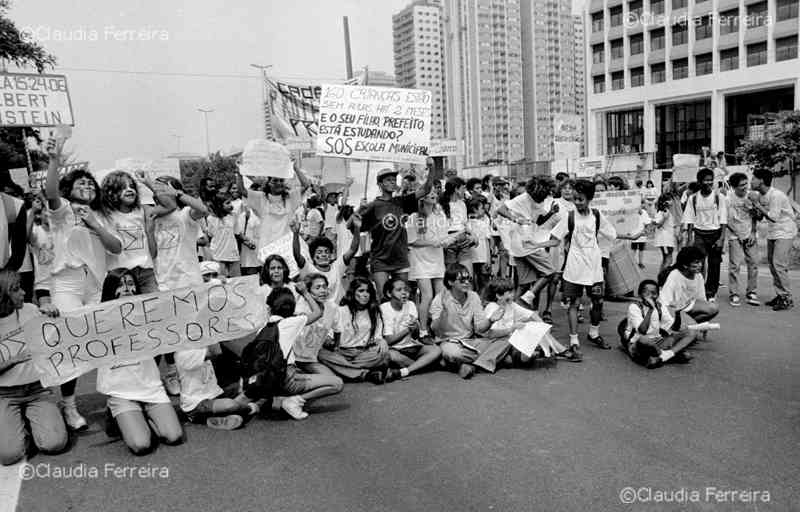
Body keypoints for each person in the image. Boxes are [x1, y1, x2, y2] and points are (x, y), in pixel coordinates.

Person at [45, 136, 122, 431]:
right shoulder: (62, 210)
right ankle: (68, 406)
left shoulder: (101, 215)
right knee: (71, 345)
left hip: (97, 286)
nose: (88, 188)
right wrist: (54, 159)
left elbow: (115, 247)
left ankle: (117, 400)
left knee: (104, 343)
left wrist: (95, 224)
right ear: (70, 191)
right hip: (67, 286)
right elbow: (50, 190)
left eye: (91, 185)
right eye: (81, 185)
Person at [98, 268, 184, 455]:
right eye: (120, 285)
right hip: (120, 391)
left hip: (150, 387)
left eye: (130, 284)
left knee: (174, 436)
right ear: (110, 290)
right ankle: (121, 417)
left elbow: (185, 309)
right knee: (141, 445)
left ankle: (141, 417)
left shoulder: (150, 312)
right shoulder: (98, 317)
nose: (126, 288)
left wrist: (215, 288)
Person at [542, 179, 617, 360]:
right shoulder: (570, 217)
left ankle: (594, 332)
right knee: (573, 304)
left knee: (598, 301)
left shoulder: (597, 216)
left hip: (594, 269)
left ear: (589, 199)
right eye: (575, 199)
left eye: (581, 199)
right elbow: (554, 238)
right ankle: (574, 340)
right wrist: (536, 244)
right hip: (574, 269)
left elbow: (612, 234)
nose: (577, 202)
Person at [0, 269, 69, 465]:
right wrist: (11, 361)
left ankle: (40, 418)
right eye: (15, 290)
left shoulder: (30, 310)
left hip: (38, 389)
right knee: (9, 455)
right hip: (5, 394)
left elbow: (58, 338)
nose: (22, 292)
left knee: (54, 444)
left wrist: (52, 314)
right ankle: (18, 423)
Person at [267, 285, 343, 420]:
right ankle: (293, 401)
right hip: (288, 379)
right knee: (336, 383)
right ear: (292, 308)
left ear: (269, 308)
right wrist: (305, 293)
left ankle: (271, 400)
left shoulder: (263, 328)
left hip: (267, 380)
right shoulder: (290, 322)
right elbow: (318, 312)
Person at [359, 167, 434, 296]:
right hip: (380, 259)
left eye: (394, 180)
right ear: (380, 184)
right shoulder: (373, 206)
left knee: (402, 297)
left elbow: (425, 190)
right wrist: (360, 210)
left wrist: (432, 168)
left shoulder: (402, 202)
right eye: (388, 180)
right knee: (383, 298)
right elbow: (355, 226)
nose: (392, 182)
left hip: (400, 258)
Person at [430, 264, 509, 379]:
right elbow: (435, 330)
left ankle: (473, 366)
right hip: (449, 343)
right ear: (450, 282)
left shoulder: (474, 296)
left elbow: (480, 328)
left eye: (469, 279)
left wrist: (491, 320)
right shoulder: (440, 298)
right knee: (453, 354)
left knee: (506, 340)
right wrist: (443, 313)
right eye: (462, 280)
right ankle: (490, 359)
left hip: (470, 341)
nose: (467, 282)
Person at [496, 176, 558, 319]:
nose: (539, 199)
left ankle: (509, 313)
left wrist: (551, 213)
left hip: (523, 244)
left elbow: (539, 221)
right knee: (550, 272)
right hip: (525, 243)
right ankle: (528, 297)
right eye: (537, 197)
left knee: (524, 284)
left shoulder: (540, 200)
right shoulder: (522, 198)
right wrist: (516, 219)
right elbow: (501, 209)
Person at [317, 277, 391, 383]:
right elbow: (329, 335)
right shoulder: (340, 311)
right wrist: (329, 342)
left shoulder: (374, 311)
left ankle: (344, 371)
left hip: (364, 352)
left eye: (368, 291)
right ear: (353, 292)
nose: (365, 294)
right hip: (342, 352)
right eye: (361, 291)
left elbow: (377, 336)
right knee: (321, 354)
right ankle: (365, 374)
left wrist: (381, 341)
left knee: (384, 355)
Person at [483, 278, 565, 366]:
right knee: (524, 357)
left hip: (510, 339)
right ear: (499, 295)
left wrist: (543, 326)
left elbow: (531, 314)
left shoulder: (510, 304)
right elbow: (491, 334)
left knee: (535, 327)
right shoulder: (492, 308)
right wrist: (512, 329)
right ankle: (547, 351)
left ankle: (558, 349)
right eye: (510, 293)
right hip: (499, 342)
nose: (513, 295)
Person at [619, 280, 697, 369]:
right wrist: (650, 310)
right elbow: (642, 331)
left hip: (657, 341)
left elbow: (673, 328)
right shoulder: (634, 307)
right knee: (644, 340)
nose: (650, 296)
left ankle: (663, 356)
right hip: (638, 342)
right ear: (640, 294)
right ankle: (667, 355)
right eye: (646, 293)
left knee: (691, 332)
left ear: (658, 295)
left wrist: (677, 313)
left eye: (654, 293)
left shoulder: (660, 306)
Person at [749, 168, 797, 311]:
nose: (751, 182)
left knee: (779, 265)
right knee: (772, 264)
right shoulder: (761, 195)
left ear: (761, 180)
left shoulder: (776, 195)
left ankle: (787, 298)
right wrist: (755, 209)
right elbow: (763, 216)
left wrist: (757, 205)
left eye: (753, 179)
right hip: (773, 232)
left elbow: (774, 217)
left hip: (785, 231)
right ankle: (780, 295)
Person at [292, 211, 361, 305]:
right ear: (313, 257)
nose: (324, 255)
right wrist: (295, 234)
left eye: (326, 252)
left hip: (338, 311)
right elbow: (297, 255)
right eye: (319, 252)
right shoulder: (308, 268)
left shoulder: (337, 266)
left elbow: (353, 250)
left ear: (331, 255)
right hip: (317, 313)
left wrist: (357, 228)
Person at [380, 277, 441, 380]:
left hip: (411, 346)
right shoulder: (384, 309)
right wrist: (407, 330)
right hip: (395, 349)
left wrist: (415, 328)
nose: (404, 293)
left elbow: (416, 336)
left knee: (436, 350)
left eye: (405, 289)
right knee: (391, 356)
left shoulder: (411, 305)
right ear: (389, 294)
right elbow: (389, 340)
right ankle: (422, 366)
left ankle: (405, 371)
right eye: (399, 290)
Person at [407, 190, 448, 343]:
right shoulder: (414, 217)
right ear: (422, 197)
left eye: (434, 193)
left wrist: (447, 241)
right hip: (420, 261)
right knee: (428, 296)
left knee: (441, 296)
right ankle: (423, 331)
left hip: (437, 260)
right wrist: (432, 242)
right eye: (429, 192)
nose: (433, 195)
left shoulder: (440, 215)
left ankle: (438, 330)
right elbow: (412, 241)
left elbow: (444, 236)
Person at [682, 167, 728, 302]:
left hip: (715, 234)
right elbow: (689, 219)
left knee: (714, 264)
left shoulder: (719, 197)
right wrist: (690, 239)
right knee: (697, 263)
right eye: (705, 180)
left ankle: (711, 292)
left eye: (710, 180)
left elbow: (723, 219)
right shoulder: (693, 198)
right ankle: (698, 289)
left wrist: (721, 238)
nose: (708, 183)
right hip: (699, 234)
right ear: (699, 181)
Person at [658, 246, 720, 332]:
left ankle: (690, 326)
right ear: (685, 265)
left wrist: (705, 321)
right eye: (696, 263)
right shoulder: (674, 275)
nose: (700, 265)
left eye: (701, 262)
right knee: (687, 336)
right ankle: (682, 327)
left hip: (687, 307)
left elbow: (702, 299)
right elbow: (664, 301)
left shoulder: (698, 276)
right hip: (674, 309)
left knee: (713, 308)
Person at [725, 172, 760, 307]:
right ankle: (734, 293)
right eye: (741, 185)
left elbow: (755, 217)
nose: (745, 187)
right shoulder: (728, 199)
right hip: (735, 235)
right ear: (734, 187)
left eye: (746, 183)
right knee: (735, 265)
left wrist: (752, 232)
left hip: (750, 234)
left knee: (753, 264)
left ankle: (752, 292)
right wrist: (737, 234)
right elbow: (727, 220)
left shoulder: (752, 196)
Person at [206, 194, 241, 277]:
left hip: (233, 254)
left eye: (230, 202)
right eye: (227, 203)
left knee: (236, 280)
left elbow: (237, 232)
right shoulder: (211, 218)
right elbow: (210, 234)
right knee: (219, 282)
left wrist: (247, 241)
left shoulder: (233, 216)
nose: (231, 205)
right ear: (219, 205)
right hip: (218, 254)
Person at [464, 197, 492, 292]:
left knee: (483, 281)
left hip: (482, 257)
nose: (484, 210)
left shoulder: (483, 223)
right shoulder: (466, 224)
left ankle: (482, 301)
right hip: (471, 257)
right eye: (482, 208)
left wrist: (488, 258)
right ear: (475, 209)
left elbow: (486, 241)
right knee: (472, 280)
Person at [653, 194, 677, 275]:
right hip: (665, 239)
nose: (672, 201)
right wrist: (664, 218)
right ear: (665, 202)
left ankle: (661, 277)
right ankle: (663, 277)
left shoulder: (666, 211)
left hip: (667, 238)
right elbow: (658, 225)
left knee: (666, 258)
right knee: (668, 259)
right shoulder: (664, 212)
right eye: (670, 199)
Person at [237, 203, 261, 276]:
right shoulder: (245, 215)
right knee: (252, 276)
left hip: (264, 251)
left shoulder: (266, 214)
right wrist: (247, 243)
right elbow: (239, 233)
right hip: (249, 251)